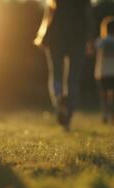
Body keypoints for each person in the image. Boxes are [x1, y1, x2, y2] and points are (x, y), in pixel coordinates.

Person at [34, 0, 95, 131]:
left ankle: (59, 100)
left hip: (56, 35)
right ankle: (68, 118)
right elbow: (88, 16)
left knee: (56, 74)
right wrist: (90, 39)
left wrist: (42, 34)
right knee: (73, 78)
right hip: (78, 35)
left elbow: (49, 14)